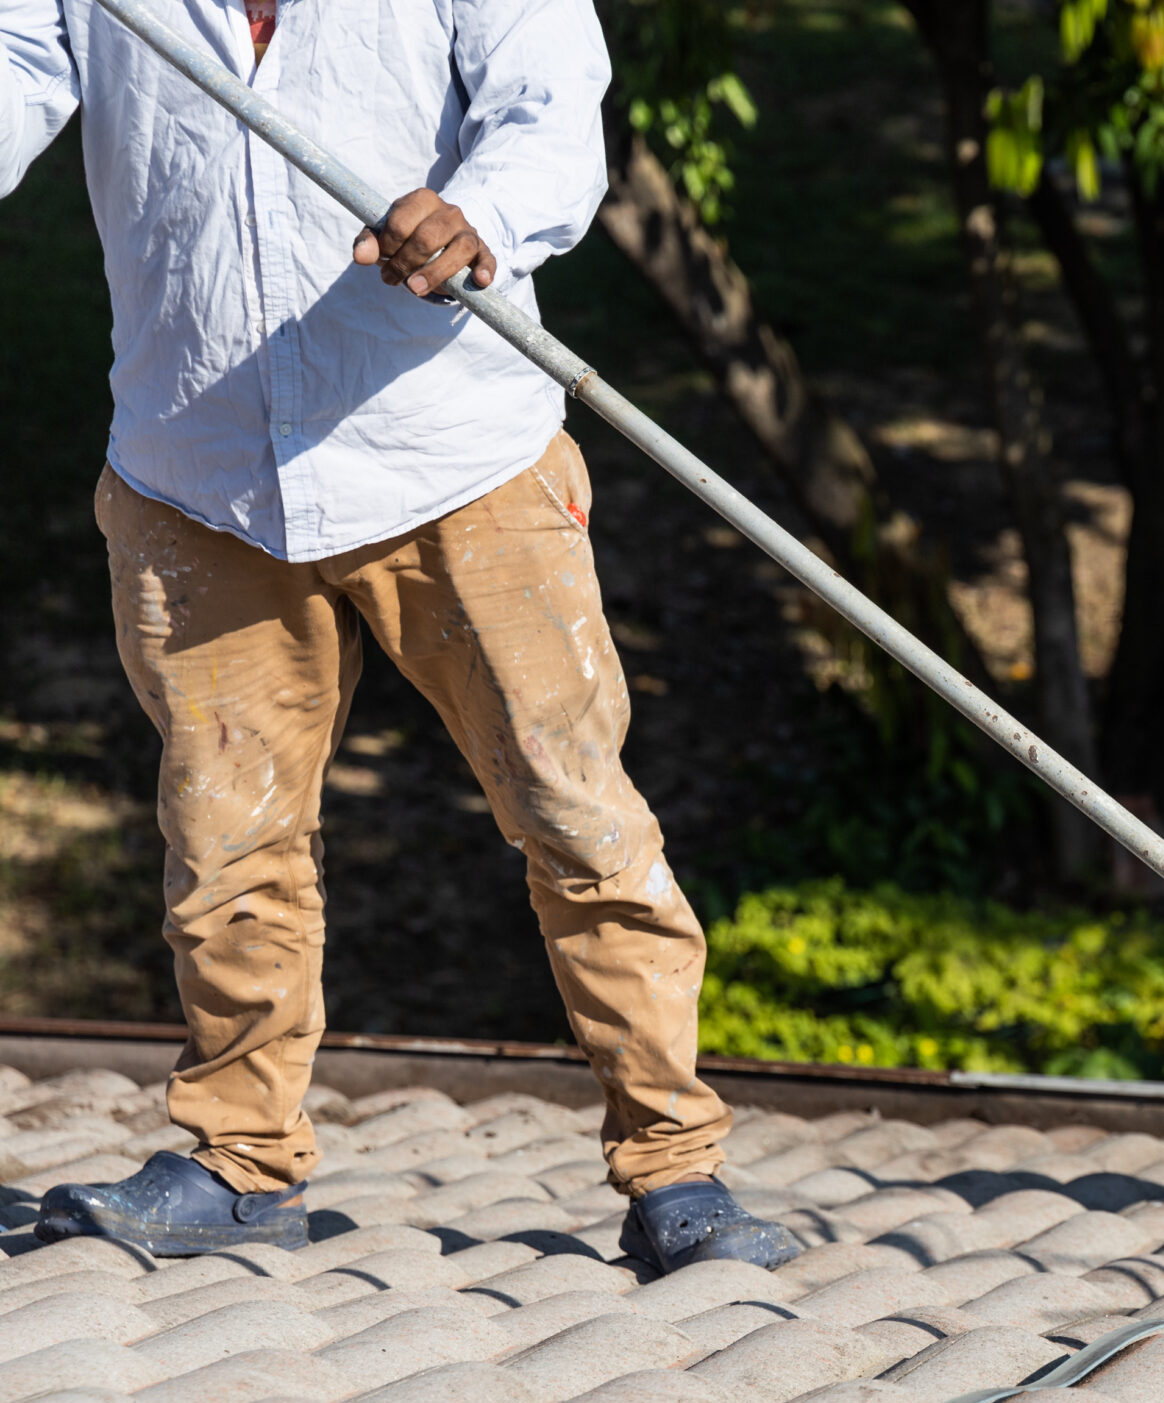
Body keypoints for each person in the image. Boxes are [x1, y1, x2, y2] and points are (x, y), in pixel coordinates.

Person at [0, 0, 794, 1271]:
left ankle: (674, 1167)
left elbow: (547, 107)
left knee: (574, 812)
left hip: (451, 457)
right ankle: (239, 1161)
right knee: (225, 839)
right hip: (193, 463)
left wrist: (478, 214)